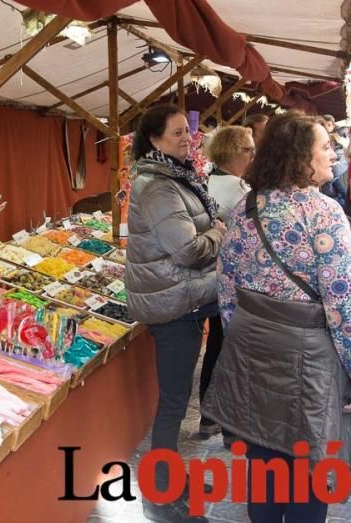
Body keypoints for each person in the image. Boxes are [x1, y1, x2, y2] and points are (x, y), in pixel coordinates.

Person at [203, 114, 351, 523]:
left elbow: (227, 288)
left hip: (251, 343)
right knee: (310, 462)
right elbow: (344, 301)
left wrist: (245, 332)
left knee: (261, 452)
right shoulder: (323, 213)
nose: (333, 153)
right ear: (300, 158)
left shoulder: (247, 206)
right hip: (308, 353)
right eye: (324, 147)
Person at [125, 104, 225, 523]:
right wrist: (219, 231)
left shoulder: (177, 177)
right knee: (172, 404)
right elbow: (187, 249)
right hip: (173, 305)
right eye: (177, 133)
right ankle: (160, 494)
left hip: (186, 298)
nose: (188, 138)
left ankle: (169, 477)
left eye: (188, 131)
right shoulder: (158, 187)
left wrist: (212, 227)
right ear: (154, 139)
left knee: (177, 400)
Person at [197, 126, 254, 440]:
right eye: (248, 149)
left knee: (216, 348)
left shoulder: (206, 182)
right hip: (235, 280)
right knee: (231, 352)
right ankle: (229, 426)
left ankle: (208, 416)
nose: (252, 155)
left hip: (210, 277)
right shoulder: (241, 189)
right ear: (233, 152)